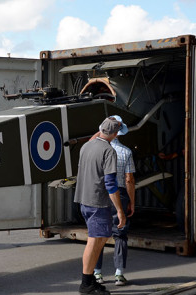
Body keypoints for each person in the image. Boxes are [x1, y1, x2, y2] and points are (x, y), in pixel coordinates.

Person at [74, 116, 126, 295]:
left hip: (84, 199)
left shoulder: (86, 146)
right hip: (98, 202)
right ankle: (86, 284)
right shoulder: (109, 151)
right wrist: (120, 210)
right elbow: (111, 184)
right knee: (94, 241)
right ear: (115, 133)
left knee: (99, 240)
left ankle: (90, 280)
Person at [92, 115, 135, 287]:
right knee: (120, 235)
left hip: (101, 195)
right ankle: (119, 274)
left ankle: (97, 273)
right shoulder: (126, 152)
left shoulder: (95, 149)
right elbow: (129, 179)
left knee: (98, 234)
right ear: (119, 132)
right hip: (121, 195)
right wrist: (131, 201)